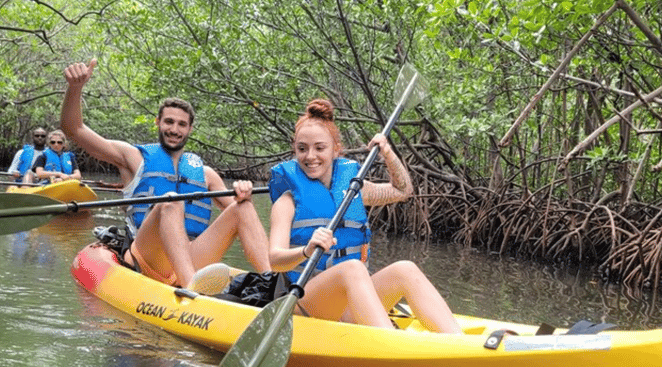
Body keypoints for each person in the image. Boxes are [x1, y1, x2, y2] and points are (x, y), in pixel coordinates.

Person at [60, 59, 271, 294]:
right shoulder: (132, 158)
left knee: (243, 206)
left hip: (191, 255)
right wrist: (75, 87)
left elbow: (245, 221)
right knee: (170, 201)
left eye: (182, 124)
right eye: (169, 121)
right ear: (158, 122)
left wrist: (243, 192)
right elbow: (74, 129)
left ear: (190, 129)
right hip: (148, 256)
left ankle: (269, 280)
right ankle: (193, 288)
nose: (174, 129)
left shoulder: (207, 175)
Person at [268, 98, 462, 333]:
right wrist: (306, 250)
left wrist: (388, 155)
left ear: (336, 149)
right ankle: (391, 346)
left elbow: (402, 191)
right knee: (353, 268)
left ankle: (456, 341)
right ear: (294, 149)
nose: (310, 156)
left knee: (405, 269)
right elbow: (275, 261)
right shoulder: (286, 201)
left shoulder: (353, 191)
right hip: (306, 302)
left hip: (348, 307)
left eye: (320, 148)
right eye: (302, 148)